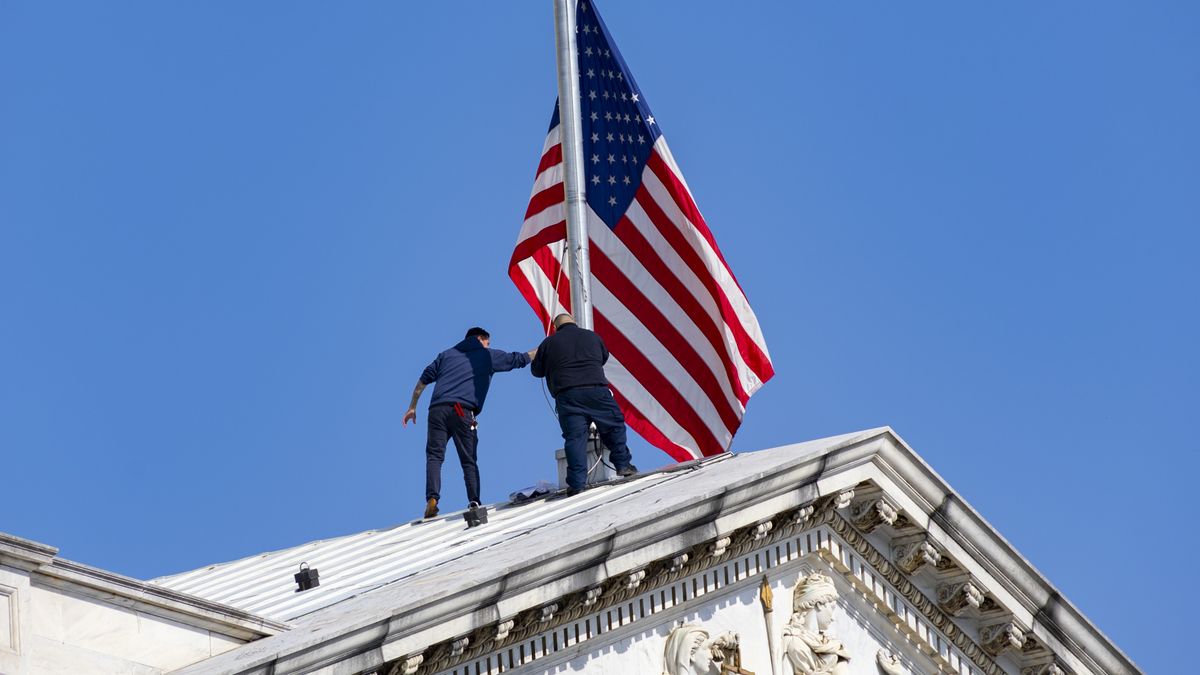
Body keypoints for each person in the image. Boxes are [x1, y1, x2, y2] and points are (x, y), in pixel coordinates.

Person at [403, 327, 535, 518]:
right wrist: (544, 347)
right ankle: (474, 501)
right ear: (481, 339)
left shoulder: (446, 355)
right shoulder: (486, 355)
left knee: (434, 456)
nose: (489, 346)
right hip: (461, 409)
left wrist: (412, 406)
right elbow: (519, 359)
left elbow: (423, 380)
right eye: (488, 343)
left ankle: (432, 499)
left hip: (436, 410)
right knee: (468, 459)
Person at [531, 313, 637, 495]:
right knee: (614, 426)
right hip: (596, 390)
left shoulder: (548, 343)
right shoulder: (592, 336)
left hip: (568, 396)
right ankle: (623, 465)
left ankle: (577, 483)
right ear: (574, 322)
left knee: (575, 438)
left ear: (556, 328)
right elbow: (603, 357)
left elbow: (537, 371)